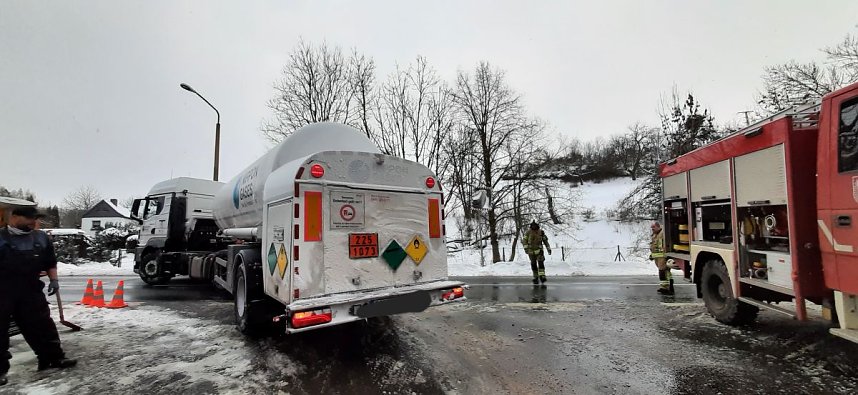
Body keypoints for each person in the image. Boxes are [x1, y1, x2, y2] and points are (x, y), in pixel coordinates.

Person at [0, 206, 77, 386]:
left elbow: (50, 261)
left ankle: (53, 358)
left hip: (31, 289)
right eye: (29, 219)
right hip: (3, 291)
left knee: (42, 324)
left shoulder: (40, 237)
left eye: (35, 219)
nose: (34, 223)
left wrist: (54, 280)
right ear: (14, 217)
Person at [650, 222, 674, 295]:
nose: (652, 229)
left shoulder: (663, 234)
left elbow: (663, 245)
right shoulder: (655, 234)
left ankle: (665, 288)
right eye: (652, 228)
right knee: (666, 273)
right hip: (658, 257)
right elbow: (654, 246)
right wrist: (652, 255)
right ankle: (668, 287)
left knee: (663, 272)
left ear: (658, 227)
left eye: (653, 228)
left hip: (663, 256)